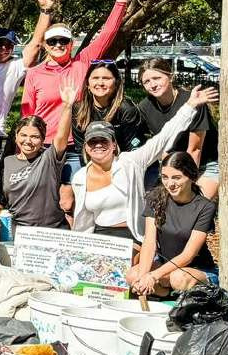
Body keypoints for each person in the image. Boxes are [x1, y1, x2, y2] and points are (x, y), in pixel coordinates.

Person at [69, 85, 217, 241]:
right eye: (93, 141)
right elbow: (84, 221)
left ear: (114, 145)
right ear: (86, 147)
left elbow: (164, 136)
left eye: (103, 140)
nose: (98, 145)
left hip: (131, 235)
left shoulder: (131, 162)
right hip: (99, 237)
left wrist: (190, 105)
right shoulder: (79, 178)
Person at [20, 0, 133, 124]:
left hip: (77, 143)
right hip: (44, 144)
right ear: (46, 46)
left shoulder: (83, 62)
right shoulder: (34, 73)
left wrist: (121, 0)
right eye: (52, 41)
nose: (58, 45)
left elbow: (107, 34)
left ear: (71, 44)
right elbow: (26, 115)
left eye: (63, 40)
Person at [0, 0, 55, 153]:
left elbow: (35, 44)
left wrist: (45, 12)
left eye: (9, 45)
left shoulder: (14, 67)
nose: (4, 48)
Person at [130, 152, 218, 296]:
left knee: (178, 278)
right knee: (133, 276)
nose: (170, 184)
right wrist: (143, 276)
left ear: (191, 177)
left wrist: (153, 276)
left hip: (196, 269)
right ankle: (165, 294)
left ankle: (172, 291)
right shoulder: (155, 199)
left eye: (177, 178)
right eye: (165, 177)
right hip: (166, 266)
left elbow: (189, 255)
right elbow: (149, 243)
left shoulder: (205, 207)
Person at [135, 59, 219, 199]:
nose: (153, 85)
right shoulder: (145, 107)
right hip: (172, 167)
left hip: (203, 164)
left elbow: (195, 150)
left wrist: (184, 186)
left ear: (170, 76)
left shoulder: (193, 101)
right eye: (147, 82)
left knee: (193, 206)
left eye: (157, 78)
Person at [1, 81, 77, 230]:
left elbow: (61, 137)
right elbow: (1, 198)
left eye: (35, 137)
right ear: (16, 137)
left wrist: (67, 107)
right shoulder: (7, 161)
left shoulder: (49, 159)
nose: (28, 141)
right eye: (23, 135)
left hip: (51, 229)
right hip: (19, 230)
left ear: (43, 139)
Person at [70, 60, 146, 162]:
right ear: (87, 83)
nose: (100, 83)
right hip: (91, 162)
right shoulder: (78, 109)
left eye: (106, 78)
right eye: (95, 78)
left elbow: (132, 147)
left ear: (116, 83)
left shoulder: (127, 109)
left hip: (123, 163)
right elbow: (81, 147)